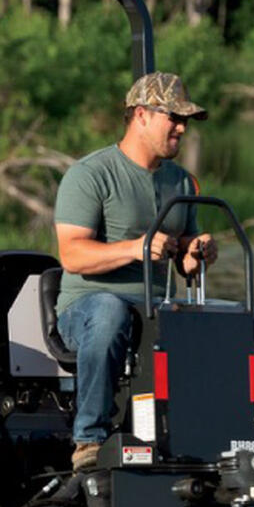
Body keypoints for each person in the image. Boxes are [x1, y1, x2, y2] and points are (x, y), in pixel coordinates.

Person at [53, 72, 218, 470]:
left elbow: (183, 258)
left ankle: (204, 443)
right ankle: (89, 440)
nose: (181, 128)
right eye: (173, 118)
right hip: (88, 311)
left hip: (154, 308)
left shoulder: (181, 182)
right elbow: (72, 256)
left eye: (186, 120)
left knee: (218, 321)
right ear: (141, 115)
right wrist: (137, 248)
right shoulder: (90, 175)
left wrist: (197, 252)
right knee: (110, 311)